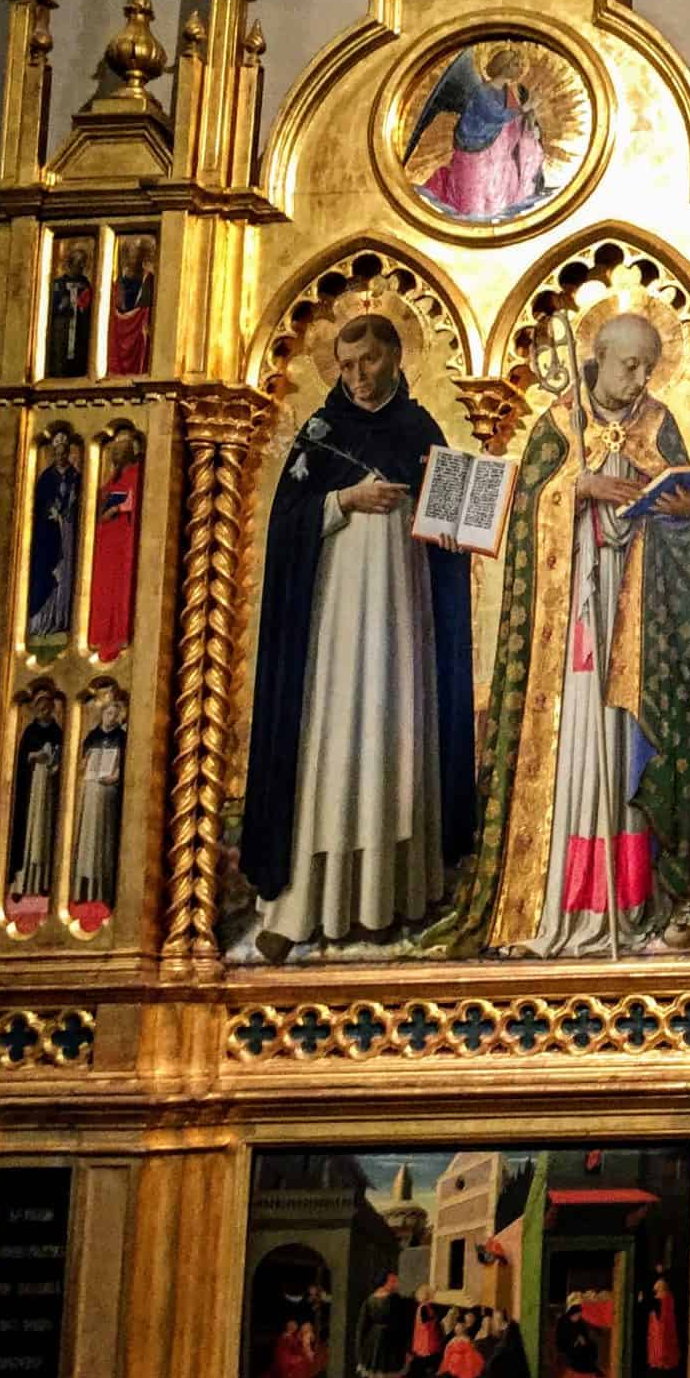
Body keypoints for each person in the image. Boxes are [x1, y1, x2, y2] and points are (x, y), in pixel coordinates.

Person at [425, 310, 690, 954]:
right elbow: (526, 508)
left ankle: (626, 900)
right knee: (570, 766)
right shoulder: (560, 425)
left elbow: (685, 534)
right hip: (569, 633)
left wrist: (679, 514)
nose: (641, 377)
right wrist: (575, 488)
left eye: (649, 366)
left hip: (635, 638)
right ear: (599, 356)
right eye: (630, 365)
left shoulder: (659, 424)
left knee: (621, 768)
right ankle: (550, 902)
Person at [242, 315, 474, 960]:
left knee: (395, 737)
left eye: (368, 361)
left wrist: (454, 526)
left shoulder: (421, 430)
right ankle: (303, 904)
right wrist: (342, 502)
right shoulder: (321, 433)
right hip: (335, 624)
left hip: (403, 616)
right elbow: (286, 525)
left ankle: (390, 901)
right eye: (345, 365)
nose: (357, 375)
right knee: (333, 742)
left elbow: (454, 526)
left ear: (396, 359)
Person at [404, 43, 548, 221]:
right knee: (474, 196)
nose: (519, 69)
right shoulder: (483, 91)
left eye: (519, 65)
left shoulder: (509, 91)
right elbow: (495, 115)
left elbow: (516, 121)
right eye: (515, 64)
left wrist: (531, 123)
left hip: (500, 152)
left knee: (498, 190)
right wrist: (526, 107)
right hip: (477, 147)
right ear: (503, 66)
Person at [86, 429, 144, 661]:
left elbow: (136, 502)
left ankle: (117, 635)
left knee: (120, 586)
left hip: (123, 542)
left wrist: (117, 508)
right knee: (103, 587)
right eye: (114, 452)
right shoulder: (115, 478)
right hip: (106, 542)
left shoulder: (137, 474)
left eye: (120, 451)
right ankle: (102, 636)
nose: (115, 456)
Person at [68, 692, 126, 920]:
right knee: (87, 841)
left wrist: (115, 777)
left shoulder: (122, 737)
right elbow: (80, 764)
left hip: (108, 793)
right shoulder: (92, 736)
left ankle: (102, 890)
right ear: (102, 713)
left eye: (115, 714)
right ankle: (82, 889)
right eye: (108, 712)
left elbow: (123, 766)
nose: (111, 717)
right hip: (91, 790)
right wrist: (87, 761)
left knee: (102, 840)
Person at [6, 689, 64, 914]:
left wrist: (54, 763)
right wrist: (33, 756)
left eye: (48, 704)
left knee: (45, 834)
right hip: (31, 791)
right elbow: (22, 759)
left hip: (48, 788)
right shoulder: (30, 731)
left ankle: (43, 883)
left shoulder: (57, 731)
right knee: (29, 834)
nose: (44, 708)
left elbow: (62, 756)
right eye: (40, 704)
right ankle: (22, 883)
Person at [26, 426, 82, 646]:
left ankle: (61, 619)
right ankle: (43, 620)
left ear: (68, 453)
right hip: (49, 534)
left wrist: (68, 511)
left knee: (66, 572)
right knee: (49, 571)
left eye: (63, 452)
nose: (60, 456)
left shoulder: (75, 476)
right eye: (57, 453)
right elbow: (38, 505)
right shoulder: (46, 478)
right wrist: (50, 512)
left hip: (68, 531)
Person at [353, 1273, 414, 1378]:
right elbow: (401, 1322)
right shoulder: (394, 1299)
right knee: (392, 1366)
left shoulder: (369, 1299)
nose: (396, 1284)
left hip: (374, 1338)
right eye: (393, 1281)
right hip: (389, 1337)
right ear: (385, 1283)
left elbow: (362, 1325)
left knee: (378, 1367)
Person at [43, 236, 95, 378]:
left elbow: (91, 305)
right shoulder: (58, 283)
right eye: (78, 263)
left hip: (80, 328)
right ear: (71, 264)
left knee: (79, 355)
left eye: (83, 263)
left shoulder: (85, 283)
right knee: (60, 354)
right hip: (62, 327)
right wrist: (61, 306)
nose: (81, 266)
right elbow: (47, 310)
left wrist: (84, 307)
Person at [106, 235, 155, 376]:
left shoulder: (150, 281)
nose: (134, 259)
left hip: (141, 337)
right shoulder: (117, 285)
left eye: (138, 254)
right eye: (131, 254)